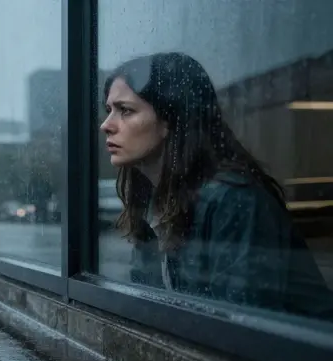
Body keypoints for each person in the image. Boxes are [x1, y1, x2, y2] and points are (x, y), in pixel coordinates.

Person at [100, 52, 332, 320]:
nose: (106, 125)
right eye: (109, 111)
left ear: (170, 118)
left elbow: (242, 326)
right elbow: (151, 308)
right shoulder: (154, 202)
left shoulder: (233, 200)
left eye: (125, 110)